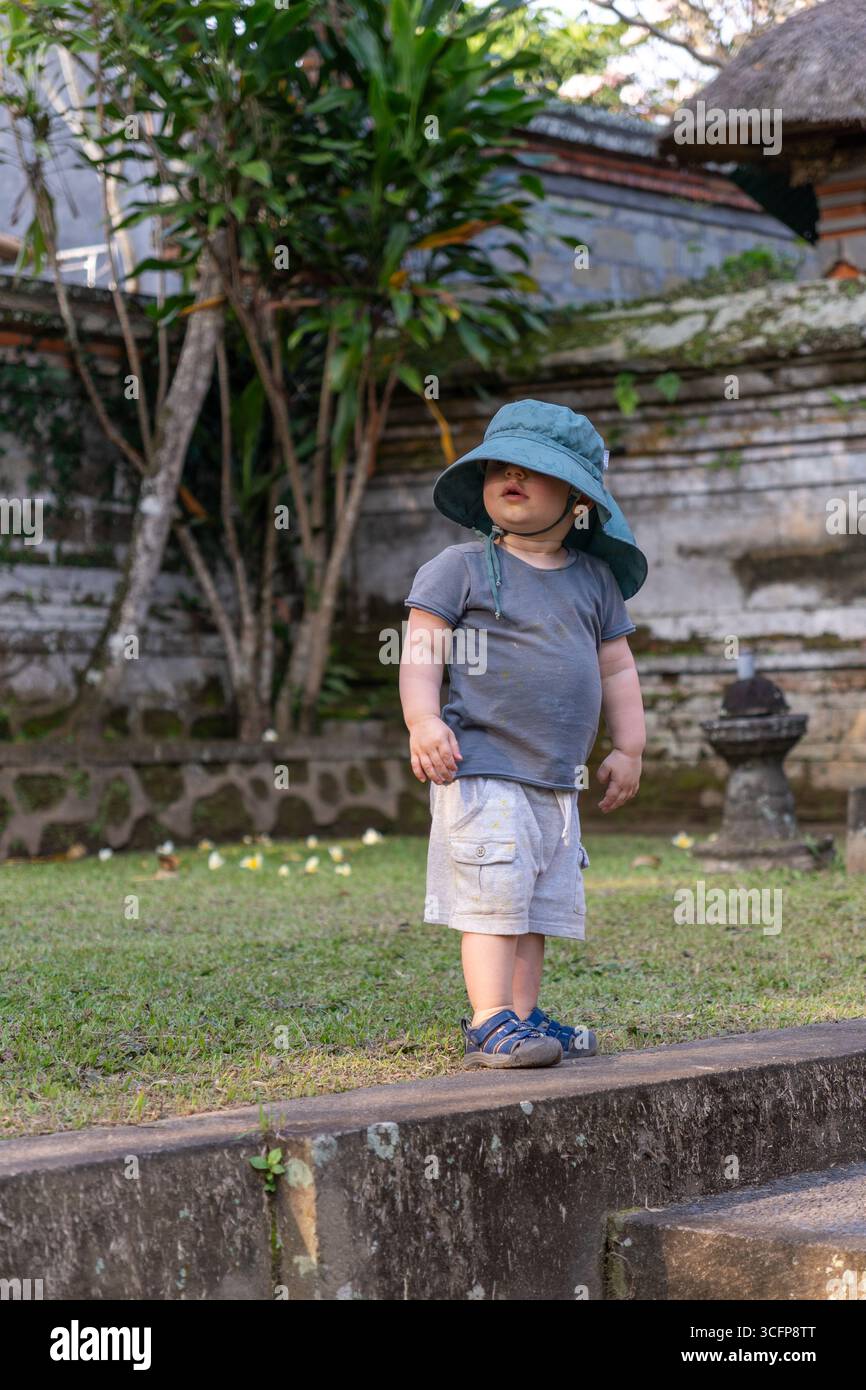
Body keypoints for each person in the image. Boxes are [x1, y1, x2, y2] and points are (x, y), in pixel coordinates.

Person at [399, 399, 648, 1068]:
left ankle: (523, 1013)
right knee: (492, 901)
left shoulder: (594, 581)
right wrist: (423, 721)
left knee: (536, 905)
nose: (512, 477)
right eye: (499, 467)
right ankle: (489, 1020)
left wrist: (629, 747)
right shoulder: (461, 567)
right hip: (481, 768)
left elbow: (618, 668)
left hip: (555, 779)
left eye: (532, 471)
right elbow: (422, 649)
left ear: (577, 499)